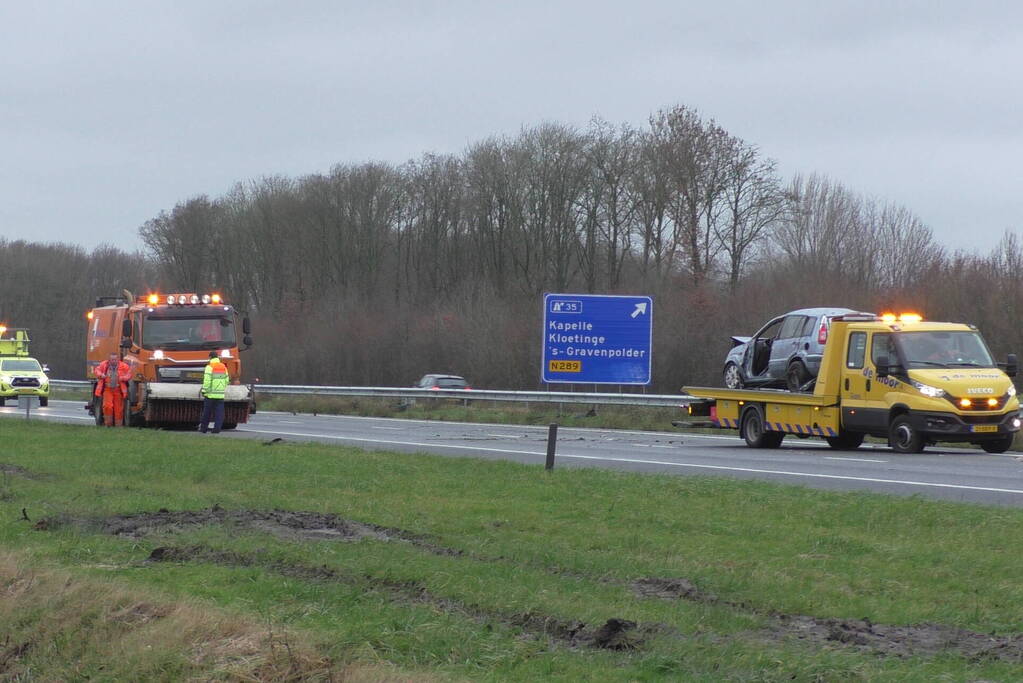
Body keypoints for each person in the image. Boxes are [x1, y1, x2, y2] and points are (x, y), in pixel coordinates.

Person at [94, 352, 131, 427]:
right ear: (109, 360)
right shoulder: (104, 365)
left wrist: (123, 378)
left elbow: (129, 374)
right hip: (107, 389)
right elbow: (96, 370)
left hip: (118, 390)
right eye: (112, 359)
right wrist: (101, 375)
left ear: (118, 359)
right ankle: (108, 425)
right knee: (107, 406)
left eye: (115, 359)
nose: (113, 361)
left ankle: (118, 426)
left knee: (119, 410)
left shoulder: (124, 366)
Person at [198, 351, 229, 434]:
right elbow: (226, 380)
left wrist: (204, 391)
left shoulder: (209, 367)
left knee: (206, 413)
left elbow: (207, 381)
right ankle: (217, 429)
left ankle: (203, 429)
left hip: (210, 395)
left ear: (210, 357)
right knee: (219, 414)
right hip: (220, 395)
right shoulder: (223, 367)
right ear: (217, 357)